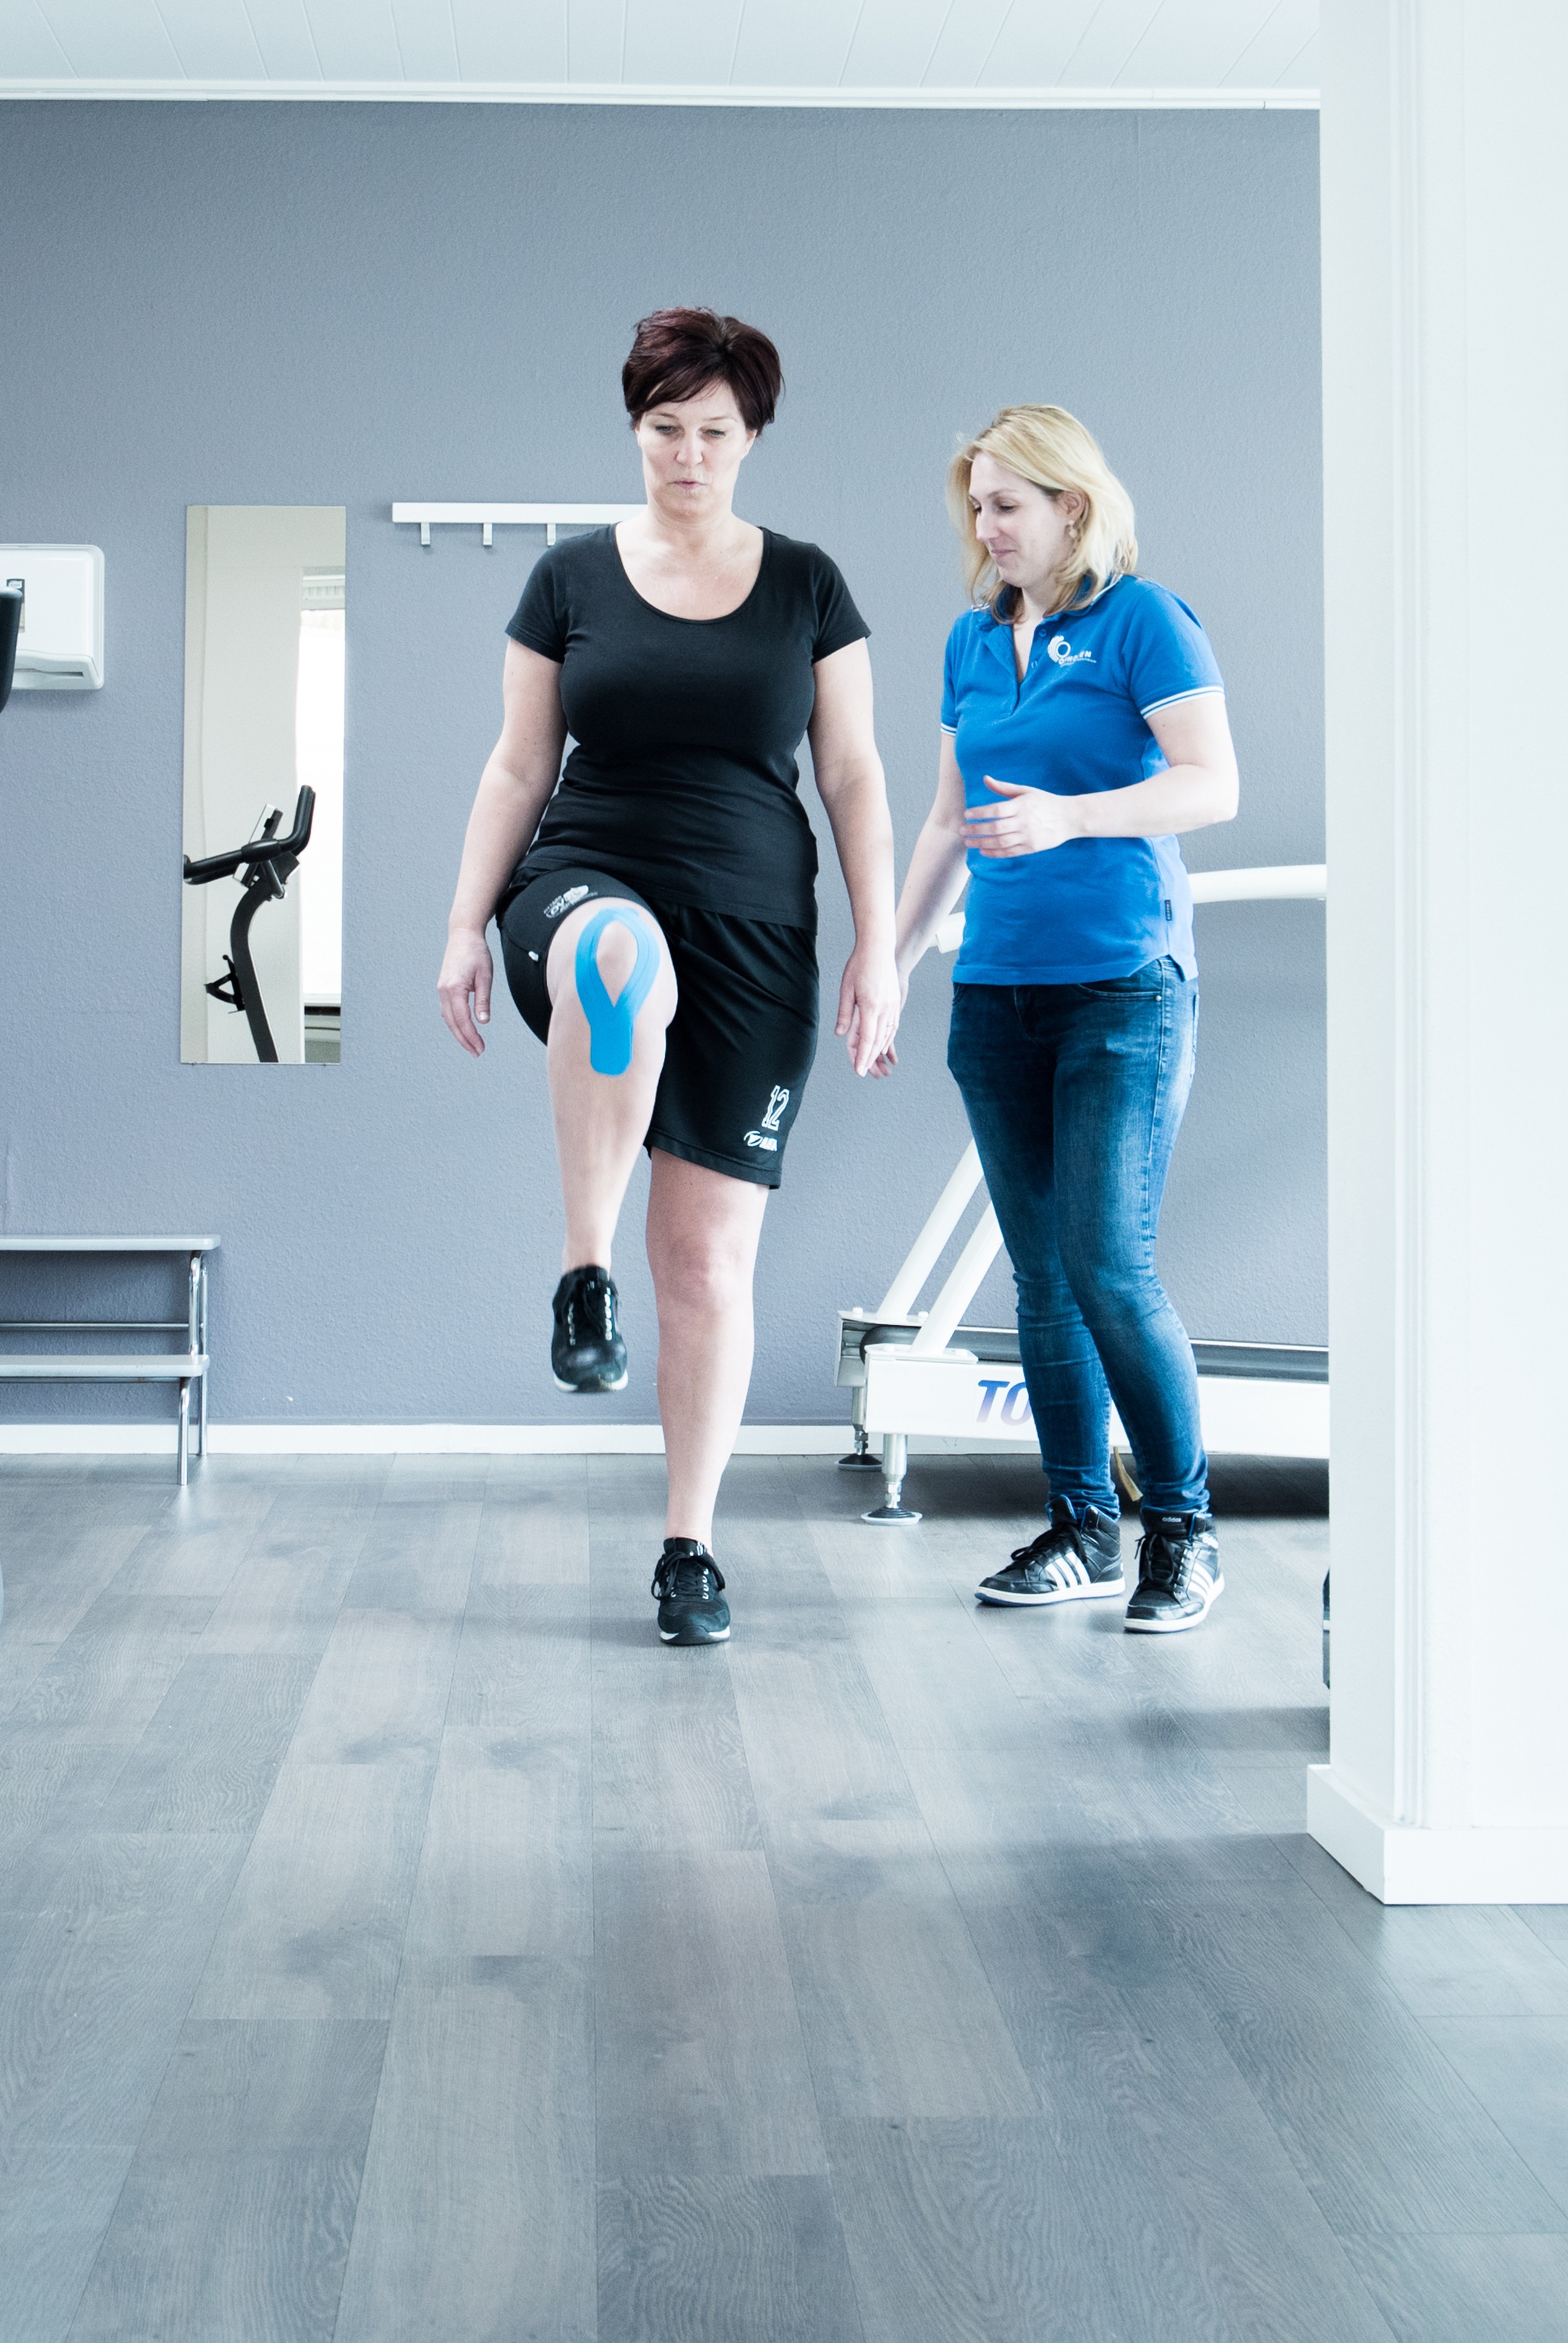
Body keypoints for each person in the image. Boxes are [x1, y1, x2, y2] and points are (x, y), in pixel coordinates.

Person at [437, 307, 902, 1646]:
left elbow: (852, 773)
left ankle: (687, 1546)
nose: (687, 455)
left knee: (703, 1264)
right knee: (617, 957)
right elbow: (517, 764)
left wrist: (878, 942)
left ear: (751, 437)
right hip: (583, 881)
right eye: (663, 429)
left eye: (712, 431)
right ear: (633, 429)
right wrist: (462, 927)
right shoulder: (569, 579)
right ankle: (583, 1274)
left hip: (756, 929)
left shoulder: (807, 585)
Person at [885, 403, 1241, 1633]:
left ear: (1070, 505)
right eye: (975, 506)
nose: (984, 527)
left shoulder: (1144, 619)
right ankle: (1082, 1527)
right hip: (996, 991)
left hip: (1122, 989)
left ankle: (1182, 1533)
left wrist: (1073, 817)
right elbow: (945, 820)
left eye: (1005, 504)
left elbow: (1212, 783)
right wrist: (886, 960)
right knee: (1039, 1275)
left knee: (1106, 1264)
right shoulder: (972, 640)